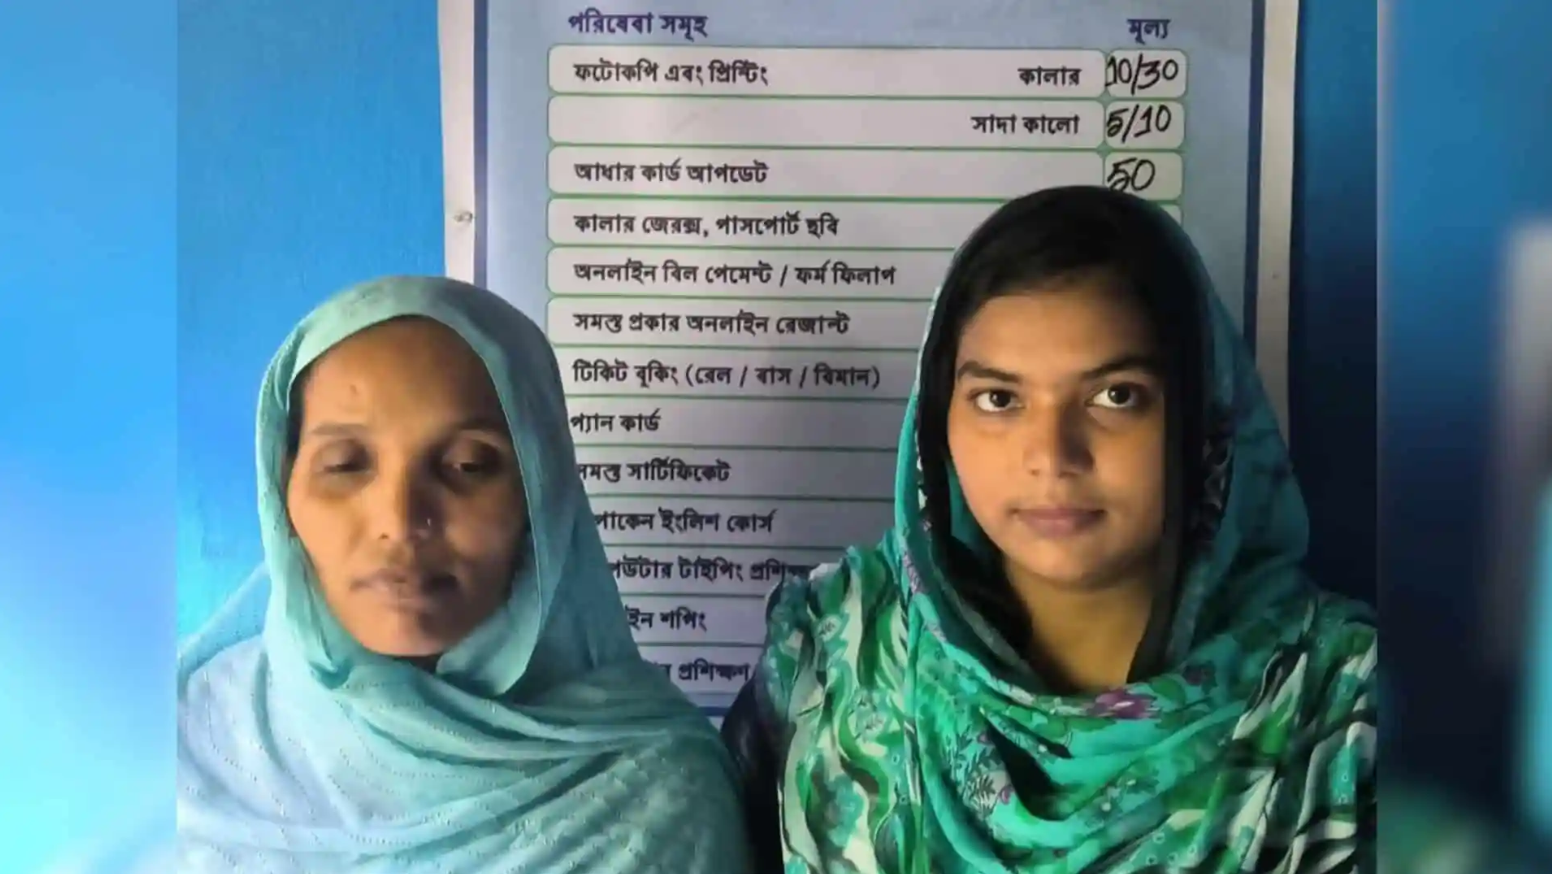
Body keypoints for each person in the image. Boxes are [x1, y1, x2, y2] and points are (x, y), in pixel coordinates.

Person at [721, 187, 1377, 872]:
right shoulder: (831, 658)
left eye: (1115, 396)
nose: (1052, 455)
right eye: (999, 399)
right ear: (938, 426)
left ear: (1203, 419)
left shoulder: (1340, 714)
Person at [177, 276, 750, 873]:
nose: (401, 521)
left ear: (541, 493)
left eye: (468, 465)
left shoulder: (658, 794)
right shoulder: (182, 738)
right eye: (345, 464)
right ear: (282, 490)